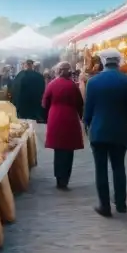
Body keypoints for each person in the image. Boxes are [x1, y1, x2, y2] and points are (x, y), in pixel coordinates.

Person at [84, 49, 127, 217]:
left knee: (100, 169)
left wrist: (87, 125)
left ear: (103, 61)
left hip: (99, 130)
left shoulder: (93, 82)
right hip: (120, 131)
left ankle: (105, 206)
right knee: (119, 167)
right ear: (118, 61)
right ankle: (121, 204)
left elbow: (88, 111)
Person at [42, 62, 85, 190]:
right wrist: (81, 116)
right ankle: (65, 178)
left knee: (58, 149)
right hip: (70, 117)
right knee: (68, 150)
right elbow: (80, 103)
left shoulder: (51, 84)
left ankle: (58, 177)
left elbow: (45, 103)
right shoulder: (72, 85)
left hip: (55, 117)